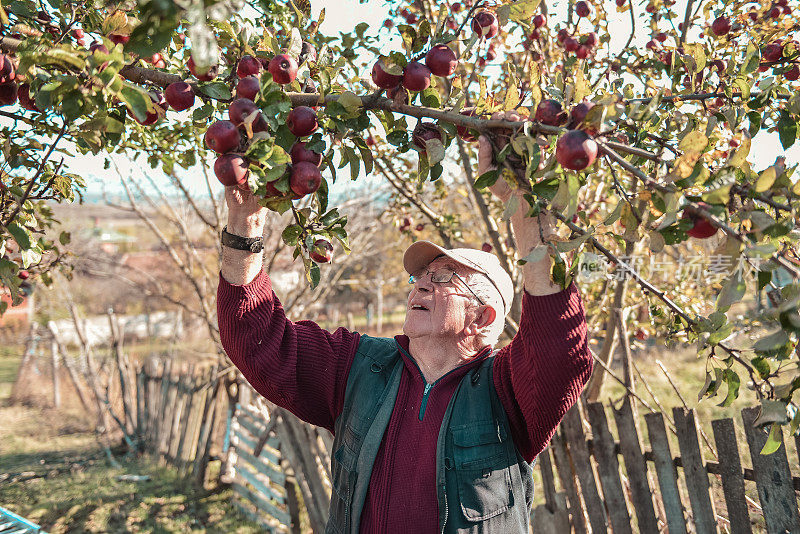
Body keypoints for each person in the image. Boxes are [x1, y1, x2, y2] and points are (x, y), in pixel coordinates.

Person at [217, 112, 592, 533]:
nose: (422, 287)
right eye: (420, 277)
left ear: (484, 317)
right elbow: (256, 338)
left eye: (445, 277)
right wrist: (244, 226)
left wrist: (525, 209)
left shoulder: (504, 390)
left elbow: (561, 352)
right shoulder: (357, 367)